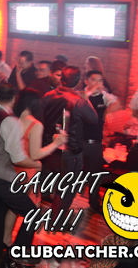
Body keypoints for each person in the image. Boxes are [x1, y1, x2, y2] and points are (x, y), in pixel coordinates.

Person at [0, 85, 42, 250]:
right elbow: (18, 159)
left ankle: (0, 249)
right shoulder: (10, 121)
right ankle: (18, 254)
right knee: (33, 215)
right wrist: (37, 164)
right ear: (13, 100)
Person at [41, 66, 98, 227]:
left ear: (61, 78)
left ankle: (32, 214)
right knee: (65, 189)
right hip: (69, 151)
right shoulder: (79, 101)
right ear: (78, 81)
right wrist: (86, 99)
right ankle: (57, 222)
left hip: (50, 148)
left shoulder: (48, 95)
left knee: (46, 184)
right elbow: (93, 119)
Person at [82, 70, 120, 212]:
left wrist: (107, 112)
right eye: (94, 80)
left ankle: (94, 203)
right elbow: (80, 102)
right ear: (87, 81)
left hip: (96, 144)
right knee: (72, 175)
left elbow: (117, 103)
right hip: (79, 142)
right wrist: (90, 92)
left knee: (95, 176)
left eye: (100, 80)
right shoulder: (81, 94)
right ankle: (62, 206)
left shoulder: (104, 96)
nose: (98, 83)